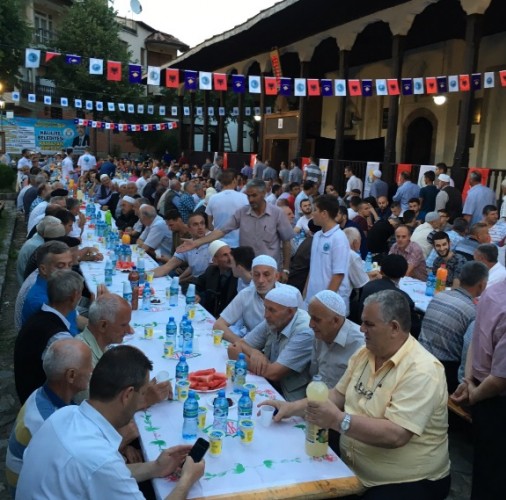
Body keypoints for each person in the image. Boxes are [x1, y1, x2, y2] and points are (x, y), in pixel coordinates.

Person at [262, 289, 450, 499]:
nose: (361, 329)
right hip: (353, 466)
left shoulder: (423, 370)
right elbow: (336, 395)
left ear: (394, 328)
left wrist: (338, 420)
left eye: (369, 324)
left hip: (404, 481)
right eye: (362, 322)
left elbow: (396, 435)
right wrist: (290, 408)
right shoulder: (365, 353)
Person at [16, 345, 204, 499]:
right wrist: (187, 479)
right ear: (127, 395)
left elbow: (107, 475)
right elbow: (102, 469)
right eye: (143, 393)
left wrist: (155, 467)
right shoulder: (101, 459)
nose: (144, 399)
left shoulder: (64, 415)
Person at [6, 339, 92, 497]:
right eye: (88, 366)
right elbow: (87, 469)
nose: (92, 370)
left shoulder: (43, 393)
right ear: (71, 375)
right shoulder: (48, 423)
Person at [451, 278, 506, 499]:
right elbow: (500, 378)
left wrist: (468, 380)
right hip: (494, 399)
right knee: (495, 476)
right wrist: (474, 393)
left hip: (481, 388)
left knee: (485, 468)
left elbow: (475, 338)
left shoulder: (493, 292)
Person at [177, 180, 294, 275]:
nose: (250, 199)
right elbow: (221, 231)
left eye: (254, 195)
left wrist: (285, 270)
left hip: (269, 272)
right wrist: (196, 243)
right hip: (246, 272)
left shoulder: (277, 213)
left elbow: (287, 242)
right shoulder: (242, 213)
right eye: (248, 196)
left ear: (263, 193)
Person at [228, 286, 313, 401]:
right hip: (269, 384)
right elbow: (238, 345)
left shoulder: (305, 331)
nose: (266, 315)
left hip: (289, 398)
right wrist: (254, 352)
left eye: (272, 310)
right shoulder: (274, 319)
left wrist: (241, 359)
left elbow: (273, 373)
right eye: (266, 308)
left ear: (290, 312)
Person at [15, 270, 84, 404]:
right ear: (74, 297)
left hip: (27, 389)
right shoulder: (58, 337)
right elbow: (73, 380)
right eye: (80, 294)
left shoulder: (40, 315)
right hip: (42, 401)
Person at [419, 261, 488, 392]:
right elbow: (468, 349)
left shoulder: (439, 296)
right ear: (482, 285)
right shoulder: (473, 311)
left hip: (419, 358)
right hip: (444, 370)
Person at [214, 255, 292, 342]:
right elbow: (218, 325)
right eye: (256, 275)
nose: (260, 280)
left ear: (276, 276)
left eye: (266, 275)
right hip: (252, 344)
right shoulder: (245, 295)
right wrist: (243, 345)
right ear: (251, 275)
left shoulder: (290, 295)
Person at [308, 290, 364, 388]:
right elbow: (314, 373)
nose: (310, 325)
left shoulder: (360, 345)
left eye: (317, 320)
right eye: (310, 317)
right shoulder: (320, 334)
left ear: (336, 321)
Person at [358, 254, 421, 338]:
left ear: (381, 271)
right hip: (386, 337)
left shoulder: (368, 285)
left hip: (363, 328)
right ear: (403, 274)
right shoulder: (403, 298)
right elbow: (414, 329)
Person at [306, 195, 351, 311]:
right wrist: (305, 295)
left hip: (330, 305)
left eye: (315, 210)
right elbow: (312, 269)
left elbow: (338, 275)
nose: (312, 213)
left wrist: (325, 304)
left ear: (324, 213)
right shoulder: (317, 236)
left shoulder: (339, 238)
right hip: (313, 299)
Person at [153, 212, 209, 283]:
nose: (200, 227)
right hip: (191, 279)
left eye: (202, 223)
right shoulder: (186, 245)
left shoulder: (212, 243)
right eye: (195, 224)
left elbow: (202, 274)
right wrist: (144, 275)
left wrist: (180, 280)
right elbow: (167, 267)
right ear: (189, 229)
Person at [205, 170, 248, 248]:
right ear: (234, 180)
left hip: (219, 244)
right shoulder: (244, 197)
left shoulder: (213, 198)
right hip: (238, 243)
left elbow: (210, 225)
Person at [196, 240, 238, 317]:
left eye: (231, 254)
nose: (230, 258)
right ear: (215, 260)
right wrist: (196, 294)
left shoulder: (238, 275)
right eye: (225, 255)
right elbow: (197, 285)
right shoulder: (211, 271)